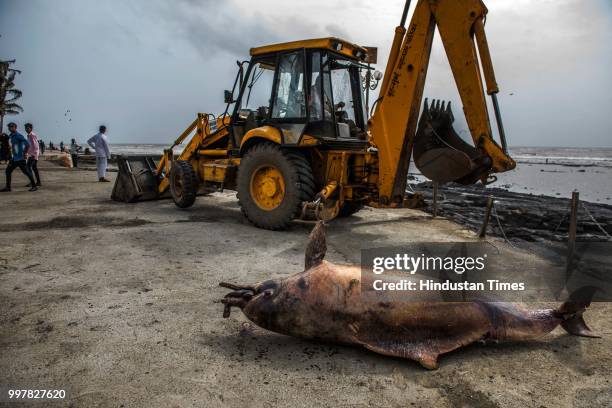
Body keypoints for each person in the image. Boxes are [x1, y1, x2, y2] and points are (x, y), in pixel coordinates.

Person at [1, 122, 37, 192]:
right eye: (9, 127)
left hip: (20, 159)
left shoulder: (18, 135)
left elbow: (27, 144)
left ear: (15, 127)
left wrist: (25, 152)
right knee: (8, 171)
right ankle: (8, 187)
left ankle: (34, 186)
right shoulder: (11, 136)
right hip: (14, 159)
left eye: (11, 126)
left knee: (26, 172)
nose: (10, 128)